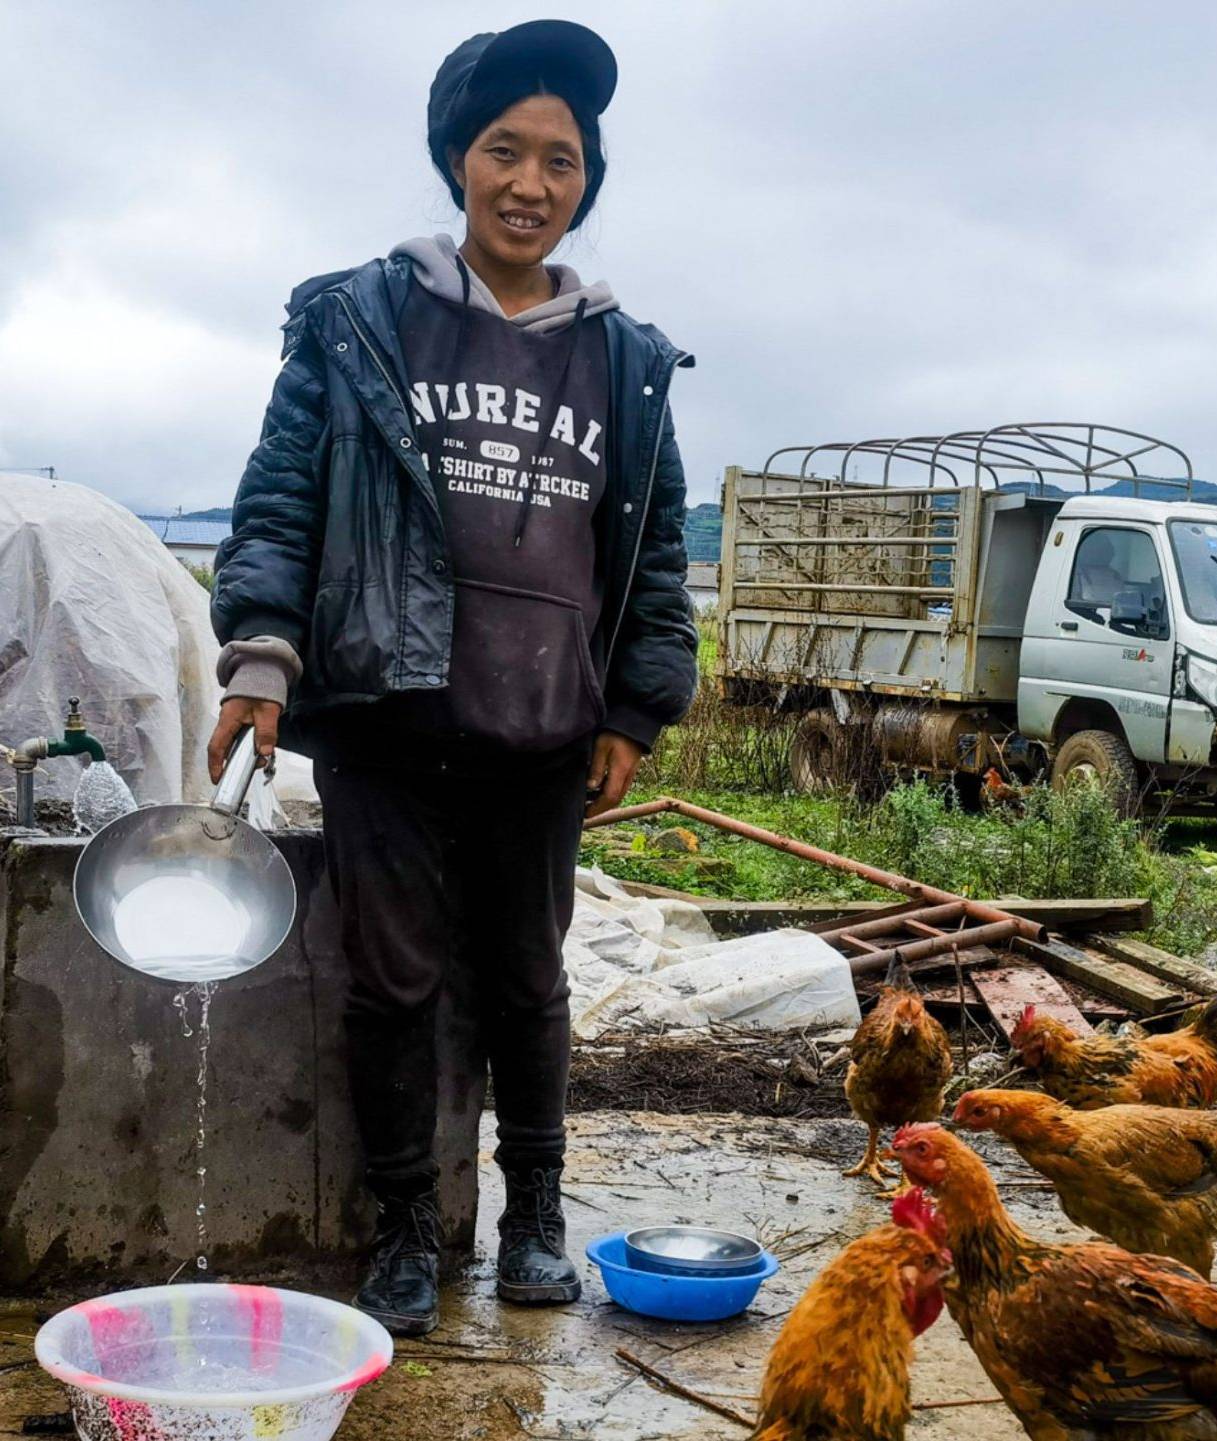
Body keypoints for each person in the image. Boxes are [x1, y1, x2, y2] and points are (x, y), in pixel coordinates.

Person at [208, 20, 697, 1337]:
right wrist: (259, 656)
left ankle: (534, 1213)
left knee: (529, 980)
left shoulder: (626, 360)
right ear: (454, 160)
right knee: (392, 985)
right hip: (385, 714)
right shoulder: (363, 316)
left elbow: (651, 551)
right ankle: (403, 1230)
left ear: (586, 179)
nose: (532, 183)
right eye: (505, 152)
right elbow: (281, 499)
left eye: (561, 159)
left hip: (542, 727)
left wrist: (636, 704)